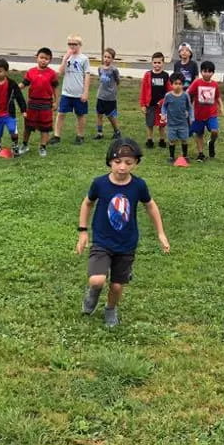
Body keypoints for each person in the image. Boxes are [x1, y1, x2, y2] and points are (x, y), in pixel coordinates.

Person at [76, 138, 170, 328]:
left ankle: (110, 309)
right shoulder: (99, 184)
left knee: (117, 286)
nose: (122, 167)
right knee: (97, 280)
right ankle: (93, 292)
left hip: (126, 243)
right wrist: (83, 231)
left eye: (128, 163)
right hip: (102, 240)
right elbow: (87, 203)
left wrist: (160, 233)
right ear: (110, 161)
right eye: (117, 162)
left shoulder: (138, 185)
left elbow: (150, 206)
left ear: (136, 163)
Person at [19, 47, 58, 157]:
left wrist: (56, 101)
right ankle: (25, 145)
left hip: (46, 104)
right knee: (28, 126)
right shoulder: (31, 72)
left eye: (46, 58)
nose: (43, 60)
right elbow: (24, 84)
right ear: (37, 58)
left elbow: (55, 88)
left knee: (45, 128)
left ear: (50, 60)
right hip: (32, 103)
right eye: (41, 57)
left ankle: (42, 147)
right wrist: (14, 89)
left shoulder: (52, 74)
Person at [52, 34, 91, 145]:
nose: (72, 46)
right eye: (70, 44)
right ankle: (56, 136)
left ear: (80, 45)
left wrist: (86, 92)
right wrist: (65, 59)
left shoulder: (84, 59)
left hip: (79, 93)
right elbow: (60, 73)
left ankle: (80, 136)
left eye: (75, 44)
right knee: (61, 113)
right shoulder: (67, 57)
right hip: (66, 92)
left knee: (80, 114)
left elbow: (87, 75)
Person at [188, 60, 224, 162]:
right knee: (199, 134)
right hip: (198, 114)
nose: (207, 73)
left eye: (209, 71)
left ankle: (211, 142)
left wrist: (221, 107)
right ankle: (200, 154)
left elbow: (218, 97)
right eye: (205, 71)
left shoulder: (214, 84)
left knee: (214, 131)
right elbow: (188, 93)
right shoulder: (197, 82)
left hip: (211, 114)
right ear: (201, 72)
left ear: (213, 73)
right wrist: (188, 106)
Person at [139, 52, 170, 149]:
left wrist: (166, 101)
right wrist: (143, 104)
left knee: (162, 124)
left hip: (162, 106)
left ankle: (162, 140)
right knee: (150, 123)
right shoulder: (148, 75)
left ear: (163, 63)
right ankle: (149, 140)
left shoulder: (166, 75)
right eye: (155, 62)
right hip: (150, 104)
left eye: (159, 62)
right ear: (152, 63)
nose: (157, 65)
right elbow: (143, 90)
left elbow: (169, 91)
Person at [161, 72, 194, 164]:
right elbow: (164, 106)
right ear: (171, 84)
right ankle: (171, 157)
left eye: (180, 84)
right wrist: (163, 115)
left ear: (183, 85)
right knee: (172, 140)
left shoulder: (185, 95)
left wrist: (191, 118)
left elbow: (190, 107)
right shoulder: (168, 96)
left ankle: (185, 156)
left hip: (183, 123)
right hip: (171, 124)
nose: (178, 86)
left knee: (184, 139)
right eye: (175, 84)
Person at [95, 48, 121, 140]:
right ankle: (99, 133)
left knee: (110, 116)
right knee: (99, 114)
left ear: (112, 59)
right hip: (100, 96)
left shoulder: (114, 70)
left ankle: (117, 131)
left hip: (110, 98)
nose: (106, 59)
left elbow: (117, 81)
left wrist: (113, 90)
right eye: (105, 57)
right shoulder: (100, 68)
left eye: (109, 57)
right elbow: (100, 78)